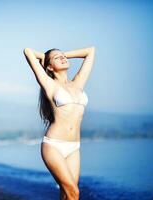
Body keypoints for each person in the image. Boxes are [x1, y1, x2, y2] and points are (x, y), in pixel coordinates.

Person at [23, 46, 95, 200]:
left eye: (64, 56)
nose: (63, 58)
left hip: (74, 147)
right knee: (74, 192)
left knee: (67, 194)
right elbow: (28, 51)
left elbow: (91, 51)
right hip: (54, 145)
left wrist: (61, 55)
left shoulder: (78, 83)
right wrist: (47, 56)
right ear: (49, 66)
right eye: (58, 58)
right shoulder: (49, 84)